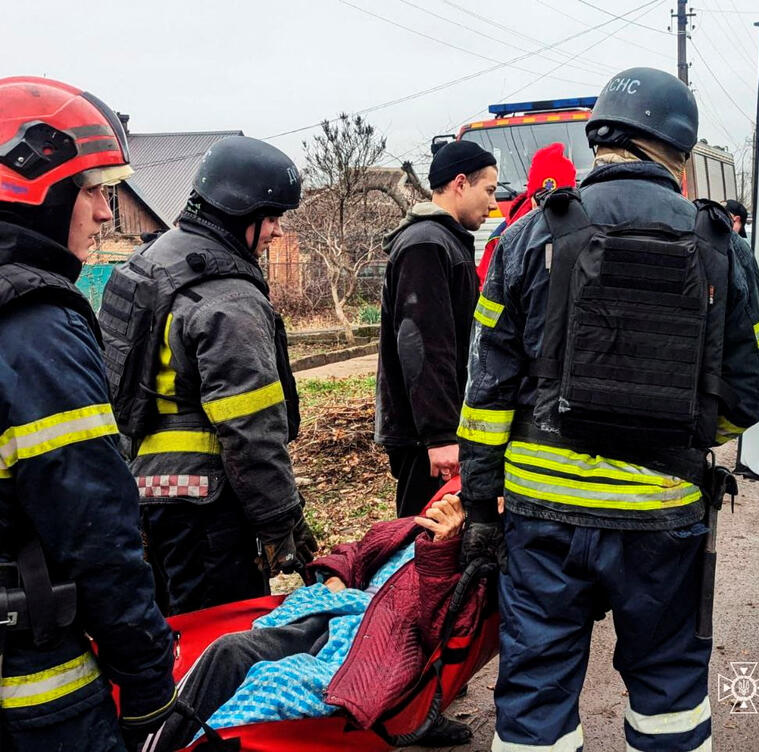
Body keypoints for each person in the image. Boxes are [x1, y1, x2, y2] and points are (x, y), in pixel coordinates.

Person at [458, 67, 759, 752]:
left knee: (536, 690)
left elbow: (485, 388)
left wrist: (482, 508)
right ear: (680, 152)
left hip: (542, 518)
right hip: (663, 513)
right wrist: (687, 433)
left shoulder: (525, 236)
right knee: (668, 692)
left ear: (598, 137)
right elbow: (753, 392)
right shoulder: (724, 246)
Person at [0, 76, 175, 751]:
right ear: (35, 189)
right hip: (34, 682)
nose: (107, 213)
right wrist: (148, 678)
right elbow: (95, 521)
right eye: (96, 190)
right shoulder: (34, 324)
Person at [100, 136, 317, 615]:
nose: (277, 233)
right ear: (244, 212)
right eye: (273, 217)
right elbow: (250, 429)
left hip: (145, 497)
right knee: (218, 638)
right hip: (209, 508)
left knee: (173, 631)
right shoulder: (229, 299)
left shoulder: (151, 261)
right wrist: (281, 521)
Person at [144, 494, 487, 752]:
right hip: (331, 609)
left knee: (277, 682)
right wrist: (336, 575)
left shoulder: (472, 563)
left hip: (378, 646)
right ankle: (159, 743)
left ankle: (207, 744)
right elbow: (355, 551)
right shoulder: (408, 526)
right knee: (228, 648)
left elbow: (440, 629)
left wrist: (443, 549)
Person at [376, 140, 498, 517]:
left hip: (433, 435)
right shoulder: (426, 244)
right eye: (489, 190)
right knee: (425, 550)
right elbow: (423, 345)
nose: (493, 204)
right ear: (461, 183)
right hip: (428, 444)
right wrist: (440, 436)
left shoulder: (444, 242)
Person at [477, 142, 577, 286]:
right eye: (541, 198)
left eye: (558, 199)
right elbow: (486, 288)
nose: (548, 207)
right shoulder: (501, 237)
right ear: (531, 197)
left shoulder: (586, 231)